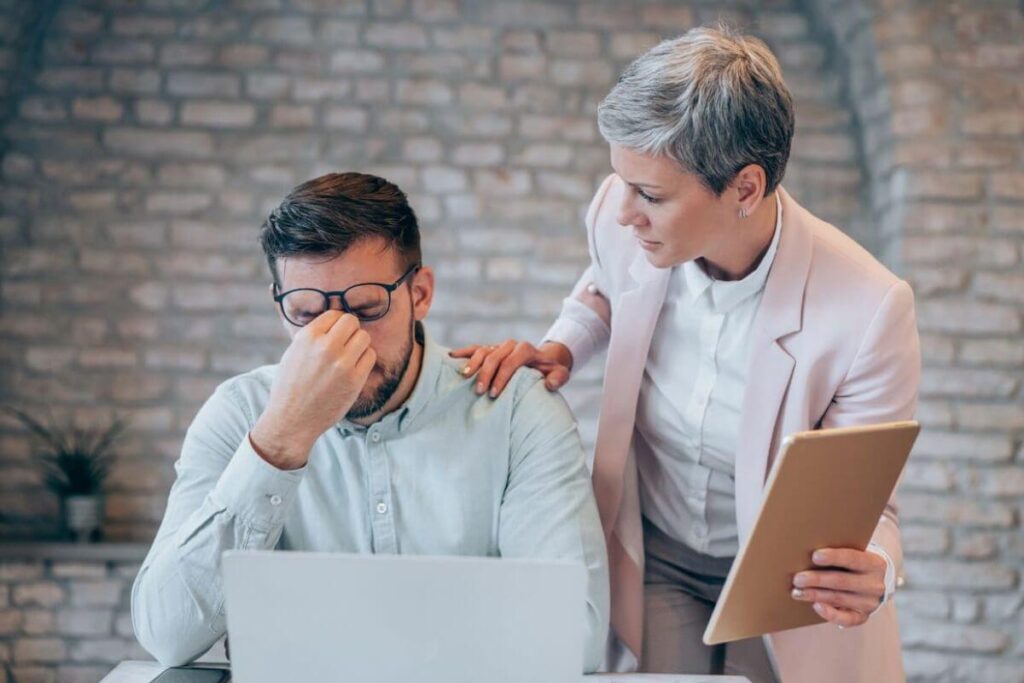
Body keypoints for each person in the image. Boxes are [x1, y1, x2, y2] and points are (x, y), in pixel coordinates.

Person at [454, 26, 920, 683]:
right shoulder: (622, 219)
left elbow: (874, 504)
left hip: (782, 580)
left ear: (746, 189)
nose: (622, 212)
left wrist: (878, 566)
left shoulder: (869, 309)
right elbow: (601, 287)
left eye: (651, 195)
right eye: (621, 182)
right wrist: (565, 345)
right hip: (659, 553)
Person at [131, 172, 609, 672]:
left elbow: (576, 637)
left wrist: (310, 633)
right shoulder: (239, 415)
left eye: (366, 307)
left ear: (420, 294)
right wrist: (279, 442)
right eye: (305, 312)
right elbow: (168, 634)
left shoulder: (516, 410)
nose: (341, 342)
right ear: (280, 307)